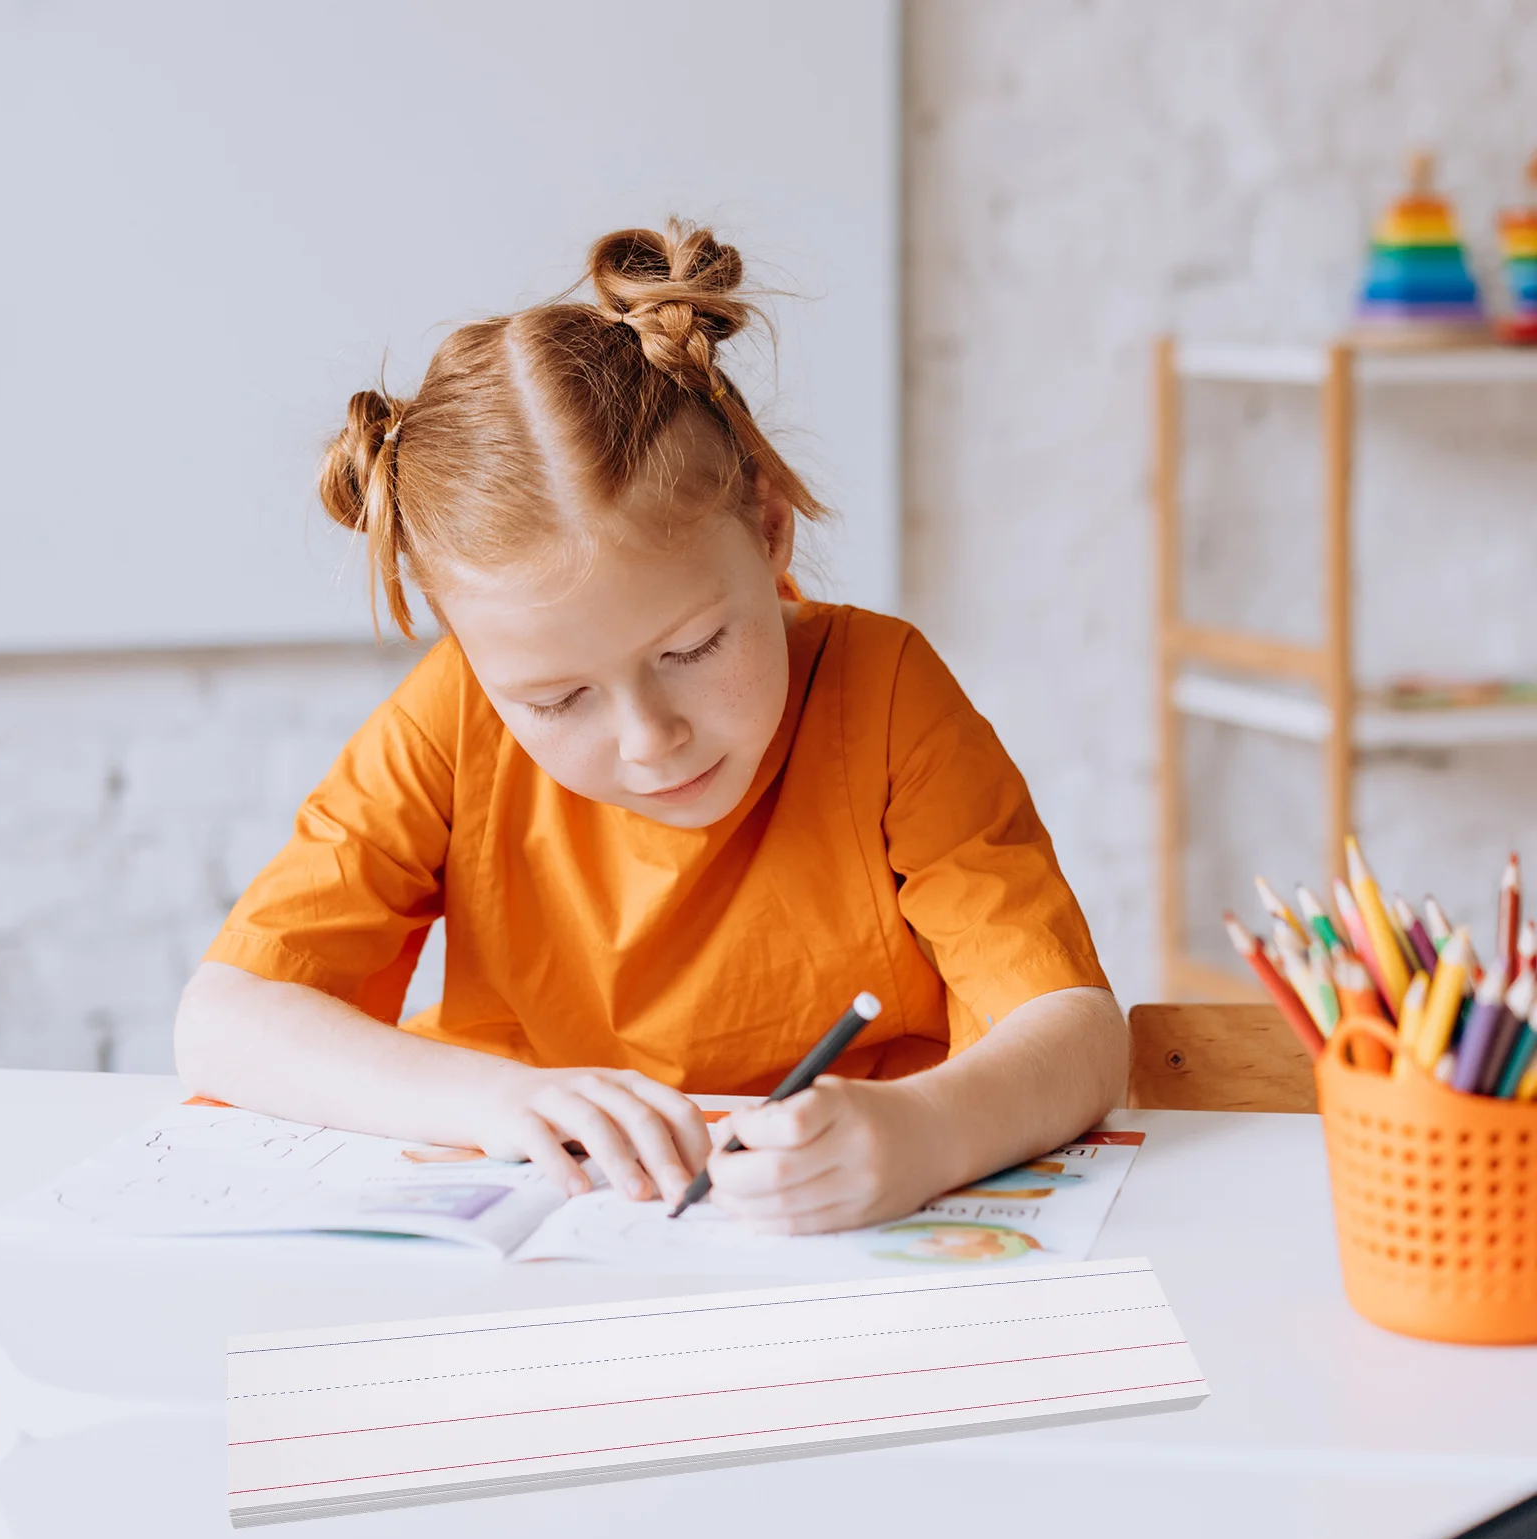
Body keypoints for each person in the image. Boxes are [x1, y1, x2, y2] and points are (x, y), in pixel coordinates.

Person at [174, 221, 1126, 1235]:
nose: (648, 738)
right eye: (555, 701)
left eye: (691, 651)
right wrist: (495, 1100)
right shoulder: (451, 713)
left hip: (838, 1238)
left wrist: (924, 1133)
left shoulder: (881, 692)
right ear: (472, 653)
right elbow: (225, 1022)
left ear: (767, 534)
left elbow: (1074, 1032)